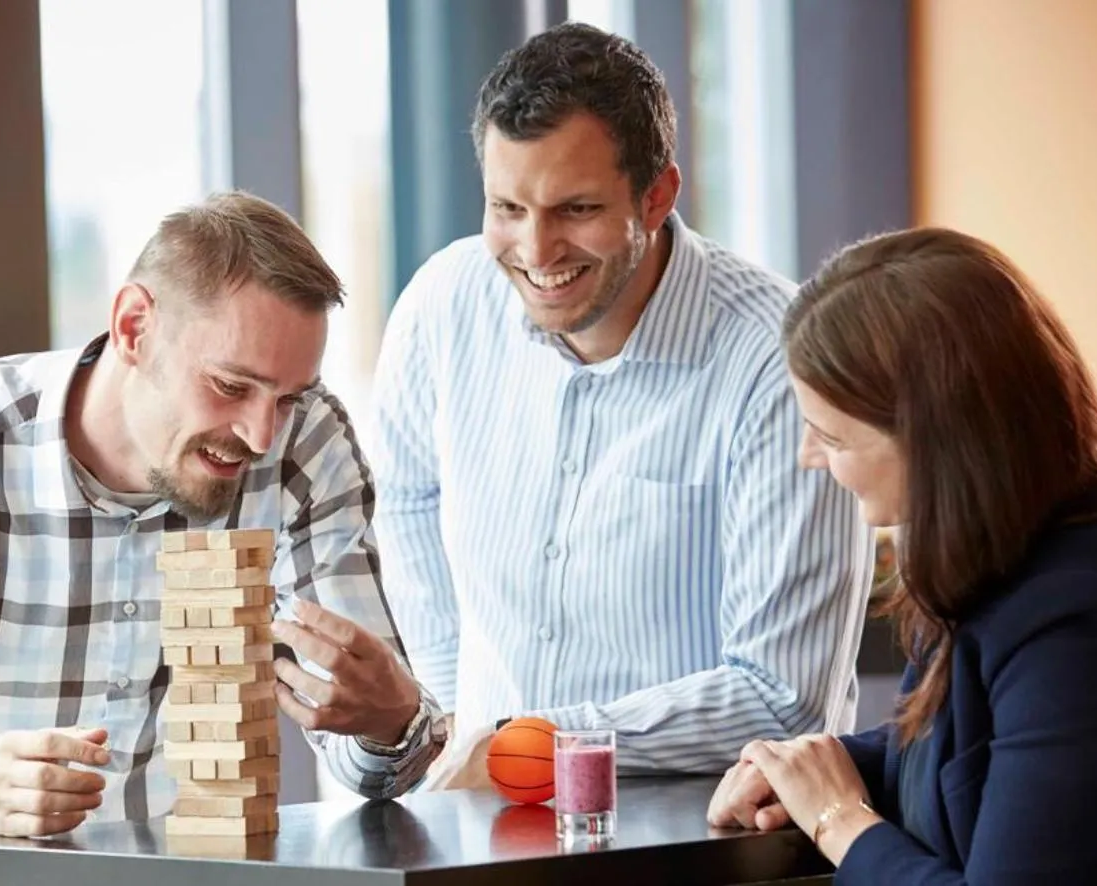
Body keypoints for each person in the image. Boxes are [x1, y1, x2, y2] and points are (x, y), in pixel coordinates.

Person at [0, 191, 446, 869]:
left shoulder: (307, 446)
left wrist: (392, 724)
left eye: (287, 398)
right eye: (231, 386)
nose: (261, 435)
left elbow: (377, 769)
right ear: (134, 328)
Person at [370, 21, 872, 786]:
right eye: (508, 208)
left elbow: (784, 699)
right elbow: (407, 505)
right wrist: (460, 724)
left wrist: (528, 748)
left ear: (659, 194)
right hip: (484, 819)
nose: (536, 251)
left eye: (575, 210)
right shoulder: (443, 305)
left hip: (701, 832)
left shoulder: (777, 362)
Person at [707, 228, 1097, 883]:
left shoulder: (1076, 619)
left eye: (830, 437)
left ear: (935, 443)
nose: (807, 458)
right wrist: (809, 768)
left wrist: (837, 819)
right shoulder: (996, 561)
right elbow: (975, 752)